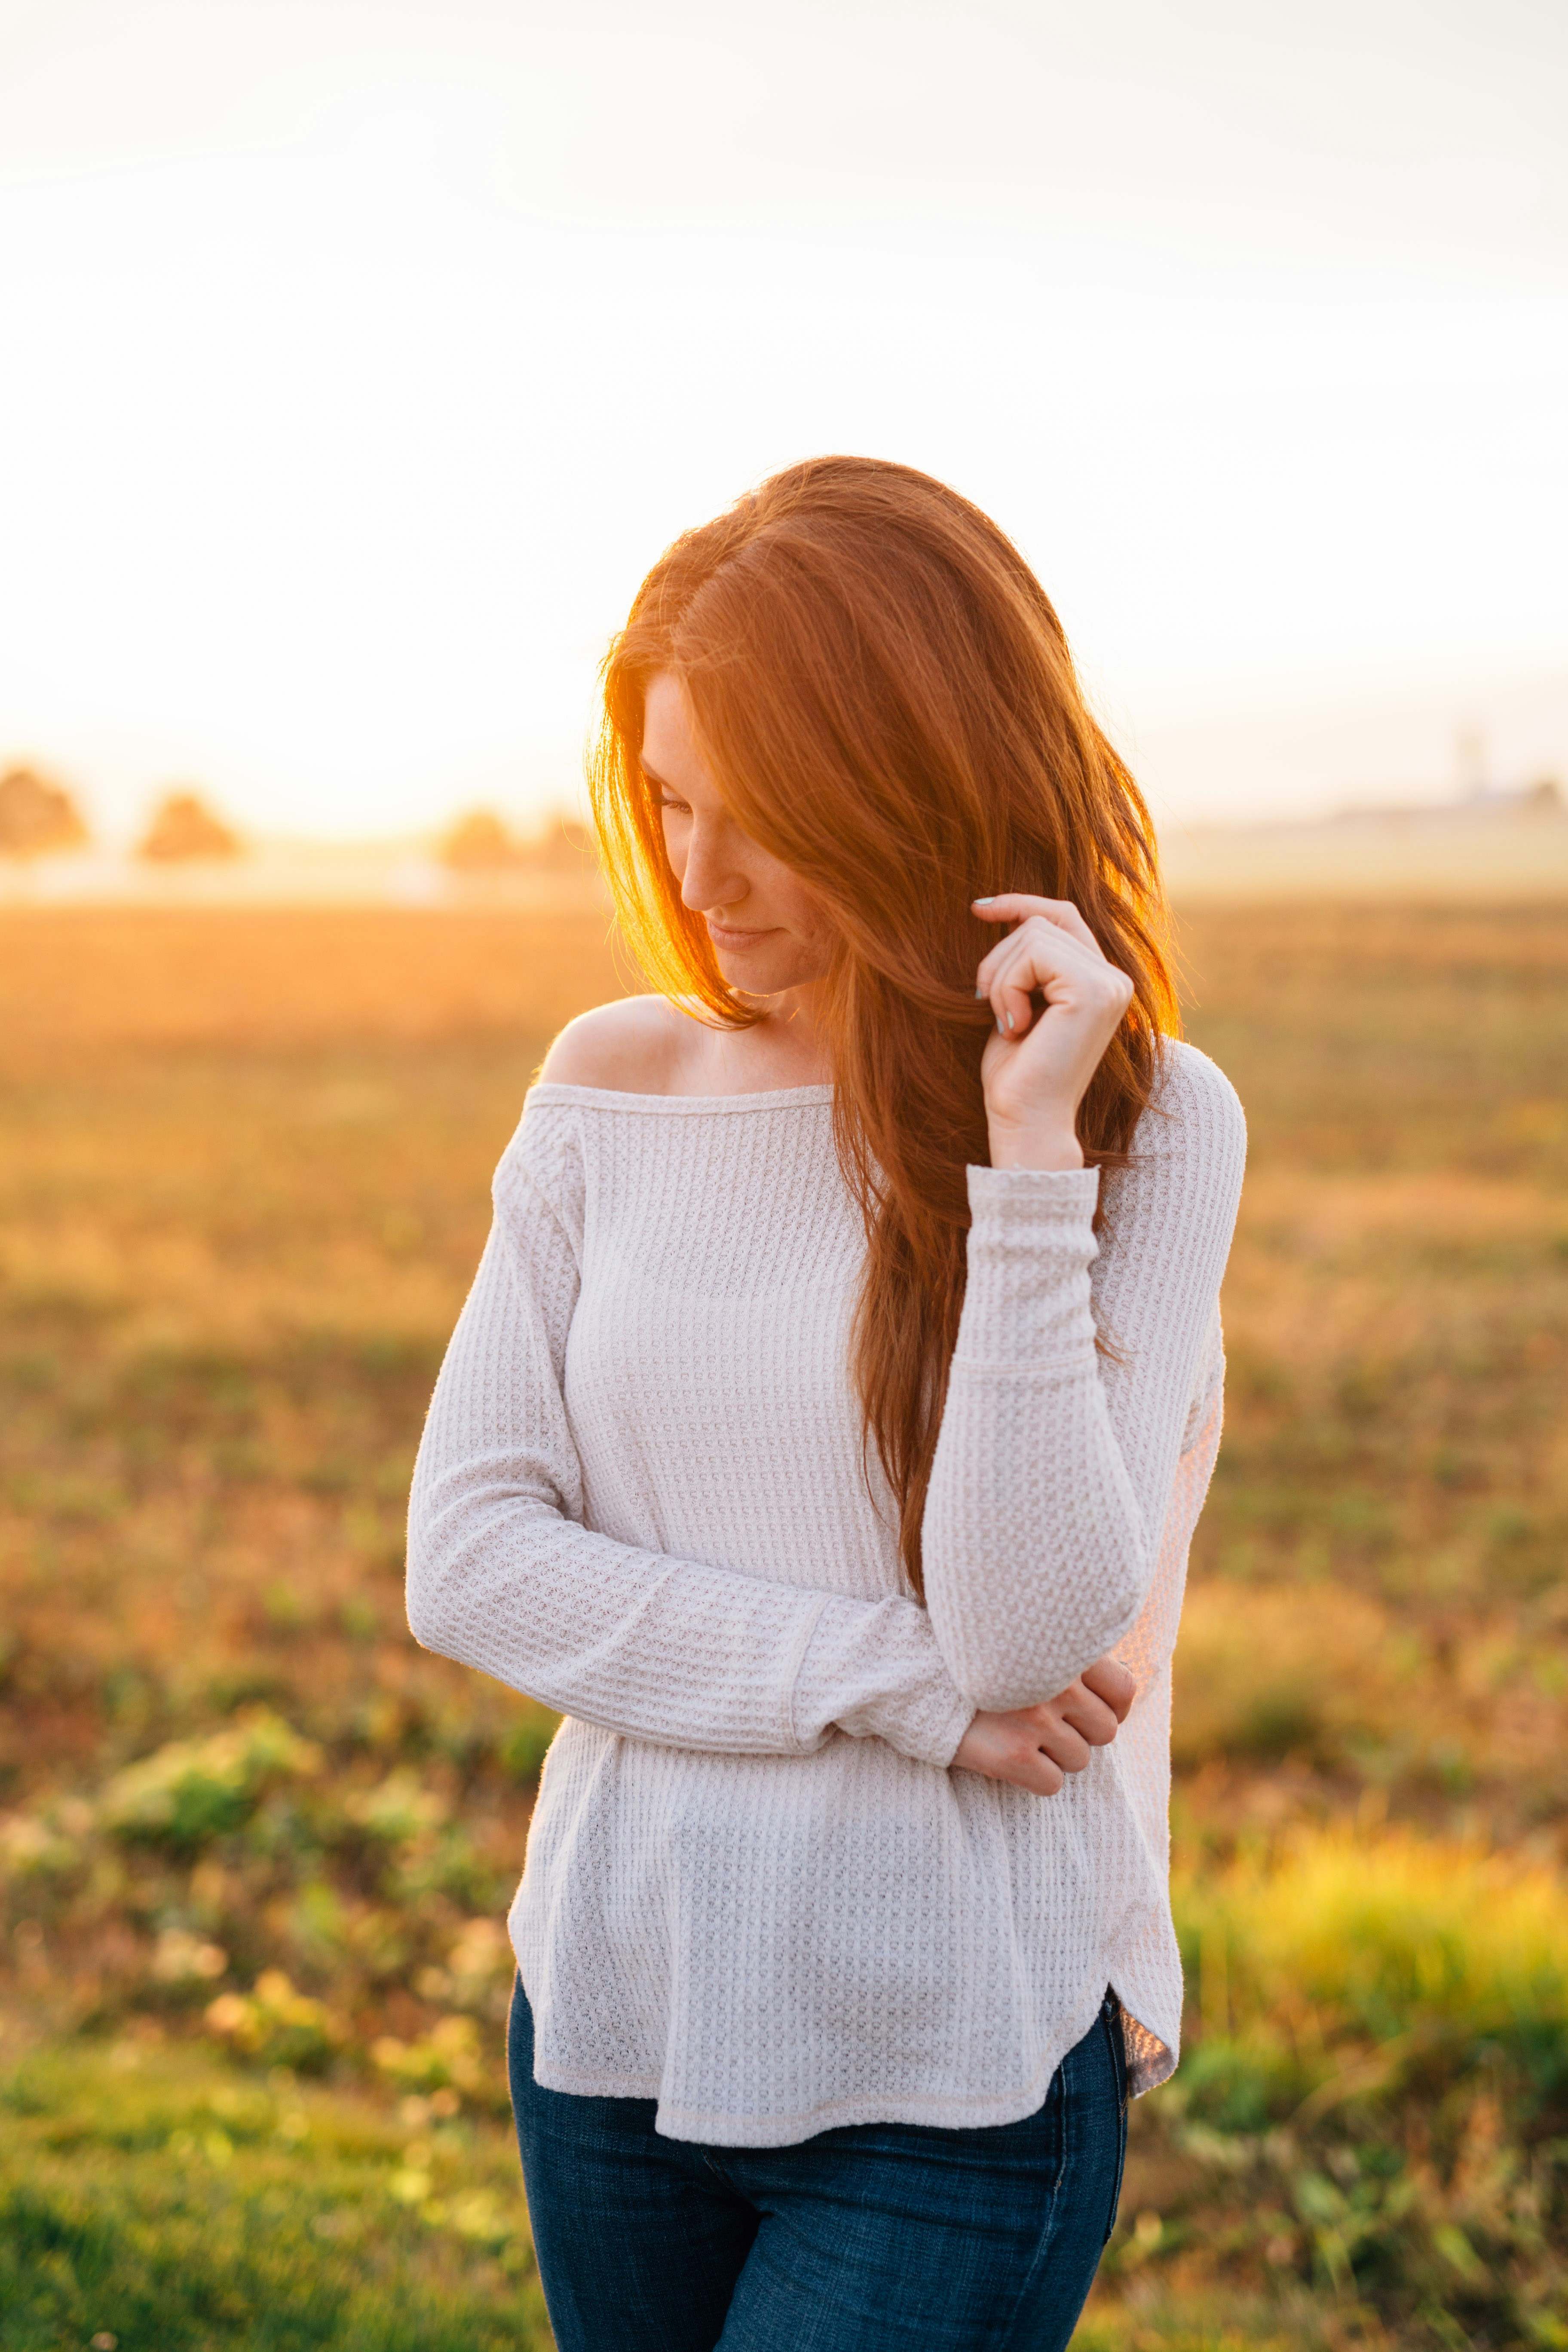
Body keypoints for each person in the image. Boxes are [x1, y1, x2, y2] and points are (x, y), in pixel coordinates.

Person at [405, 456, 1246, 2351]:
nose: (698, 883)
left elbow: (1029, 1632)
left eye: (761, 817)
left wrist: (1023, 1170)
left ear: (911, 789)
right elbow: (467, 1563)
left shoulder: (1149, 1124)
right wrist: (901, 1690)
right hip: (613, 2018)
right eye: (671, 803)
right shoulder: (610, 1086)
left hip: (951, 2073)